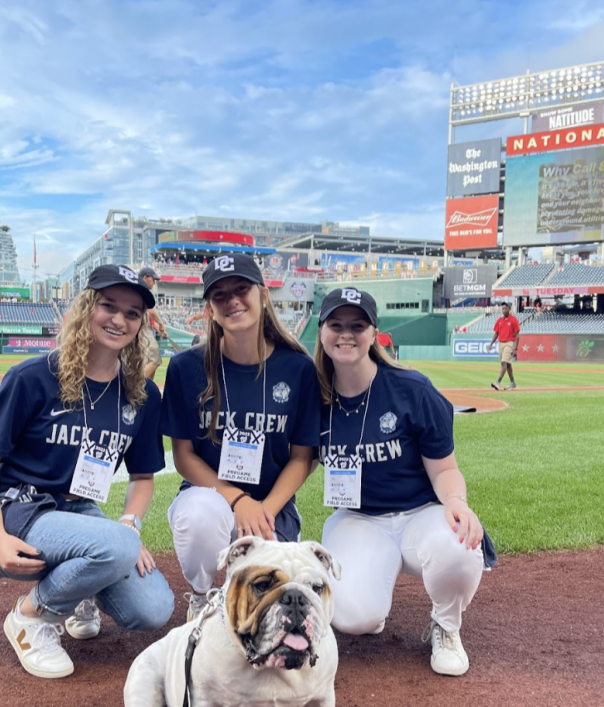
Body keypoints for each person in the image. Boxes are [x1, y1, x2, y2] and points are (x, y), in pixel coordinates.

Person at [0, 264, 174, 680]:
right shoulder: (33, 376)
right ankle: (30, 617)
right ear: (85, 308)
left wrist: (128, 527)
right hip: (17, 511)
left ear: (141, 324)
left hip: (79, 512)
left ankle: (81, 590)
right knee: (115, 547)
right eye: (108, 306)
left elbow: (143, 477)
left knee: (153, 608)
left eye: (132, 313)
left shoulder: (142, 394)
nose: (119, 319)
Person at [315, 287, 484, 676]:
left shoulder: (411, 389)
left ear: (374, 334)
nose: (346, 334)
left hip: (420, 515)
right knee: (355, 619)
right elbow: (299, 462)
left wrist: (456, 500)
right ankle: (372, 601)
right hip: (359, 518)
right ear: (322, 331)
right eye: (336, 324)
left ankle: (446, 626)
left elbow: (444, 469)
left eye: (357, 326)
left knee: (458, 547)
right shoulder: (315, 396)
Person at [162, 252, 319, 616]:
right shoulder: (186, 368)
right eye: (220, 295)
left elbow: (302, 458)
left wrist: (264, 509)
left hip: (272, 504)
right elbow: (183, 456)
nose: (232, 300)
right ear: (209, 309)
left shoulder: (297, 368)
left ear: (263, 295)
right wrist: (236, 500)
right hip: (210, 495)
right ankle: (201, 595)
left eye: (241, 289)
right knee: (201, 516)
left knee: (264, 607)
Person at [138, 267, 169, 381]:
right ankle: (136, 385)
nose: (154, 282)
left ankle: (148, 390)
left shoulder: (142, 290)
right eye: (153, 279)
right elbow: (150, 310)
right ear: (145, 278)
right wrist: (160, 323)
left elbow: (149, 319)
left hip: (143, 328)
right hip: (139, 330)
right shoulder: (141, 288)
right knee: (155, 359)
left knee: (148, 362)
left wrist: (159, 330)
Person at [488, 302, 520, 390]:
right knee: (508, 365)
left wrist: (515, 348)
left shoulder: (513, 320)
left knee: (503, 363)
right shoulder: (499, 321)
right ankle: (513, 383)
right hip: (501, 343)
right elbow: (496, 333)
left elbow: (517, 335)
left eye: (505, 308)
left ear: (509, 309)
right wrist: (491, 344)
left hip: (509, 343)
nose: (504, 310)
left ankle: (498, 382)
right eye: (502, 308)